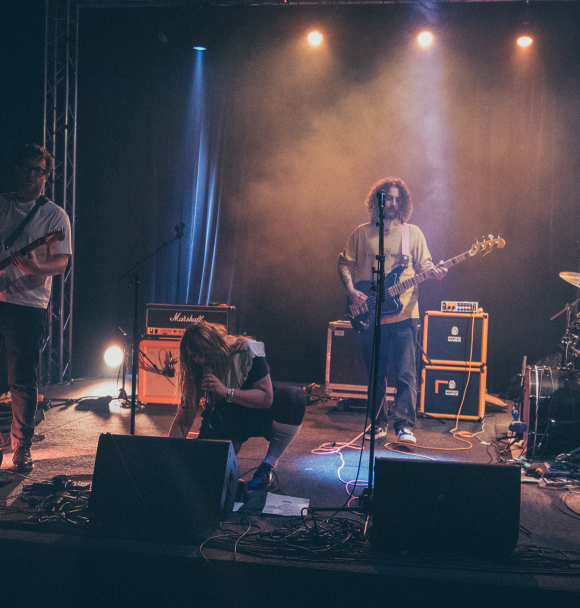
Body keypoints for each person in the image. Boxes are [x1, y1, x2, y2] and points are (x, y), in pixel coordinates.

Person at [0, 144, 72, 470]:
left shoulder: (55, 216)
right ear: (17, 170)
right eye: (26, 168)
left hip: (28, 306)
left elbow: (62, 262)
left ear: (46, 177)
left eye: (38, 171)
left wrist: (35, 266)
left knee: (21, 380)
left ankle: (22, 446)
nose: (30, 175)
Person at [337, 178, 446, 445]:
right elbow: (343, 263)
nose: (393, 203)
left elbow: (425, 265)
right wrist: (351, 291)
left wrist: (435, 272)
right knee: (376, 373)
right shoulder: (362, 233)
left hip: (404, 314)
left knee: (406, 373)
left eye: (398, 199)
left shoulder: (413, 233)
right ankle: (378, 422)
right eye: (389, 198)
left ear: (403, 203)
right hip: (370, 314)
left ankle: (404, 426)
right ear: (378, 200)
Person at [167, 321, 306, 492]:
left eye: (204, 354)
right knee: (208, 473)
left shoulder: (246, 350)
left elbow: (267, 398)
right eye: (195, 356)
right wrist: (169, 458)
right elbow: (183, 421)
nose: (200, 360)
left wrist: (226, 391)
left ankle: (268, 465)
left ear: (216, 346)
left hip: (258, 411)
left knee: (294, 398)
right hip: (227, 417)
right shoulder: (195, 368)